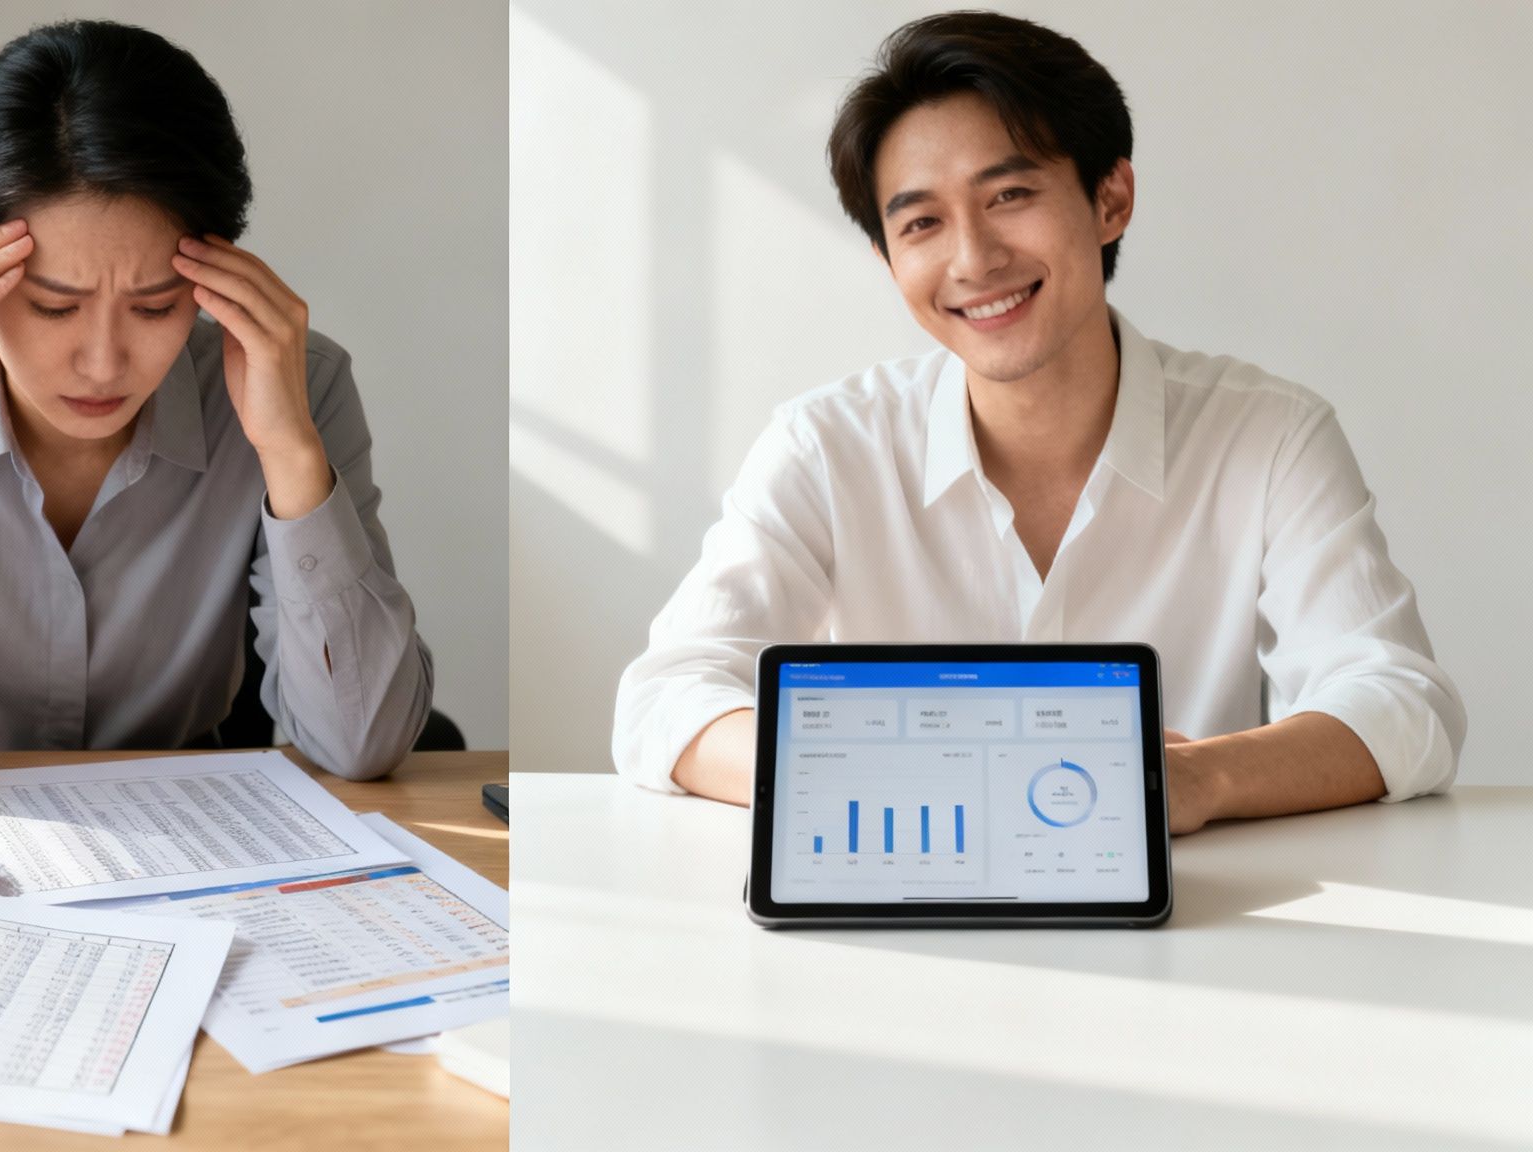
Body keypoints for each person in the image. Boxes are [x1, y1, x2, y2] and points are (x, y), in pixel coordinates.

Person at [612, 11, 1463, 832]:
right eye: (921, 224)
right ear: (886, 257)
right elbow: (669, 697)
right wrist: (896, 775)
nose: (974, 259)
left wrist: (1194, 778)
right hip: (902, 907)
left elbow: (1400, 705)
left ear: (1111, 198)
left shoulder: (1270, 436)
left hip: (1195, 924)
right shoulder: (826, 445)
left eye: (1010, 193)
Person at [0, 20, 433, 786]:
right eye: (55, 306)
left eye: (157, 307)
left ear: (217, 267)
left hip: (192, 826)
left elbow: (364, 743)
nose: (104, 363)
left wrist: (291, 451)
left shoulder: (292, 381)